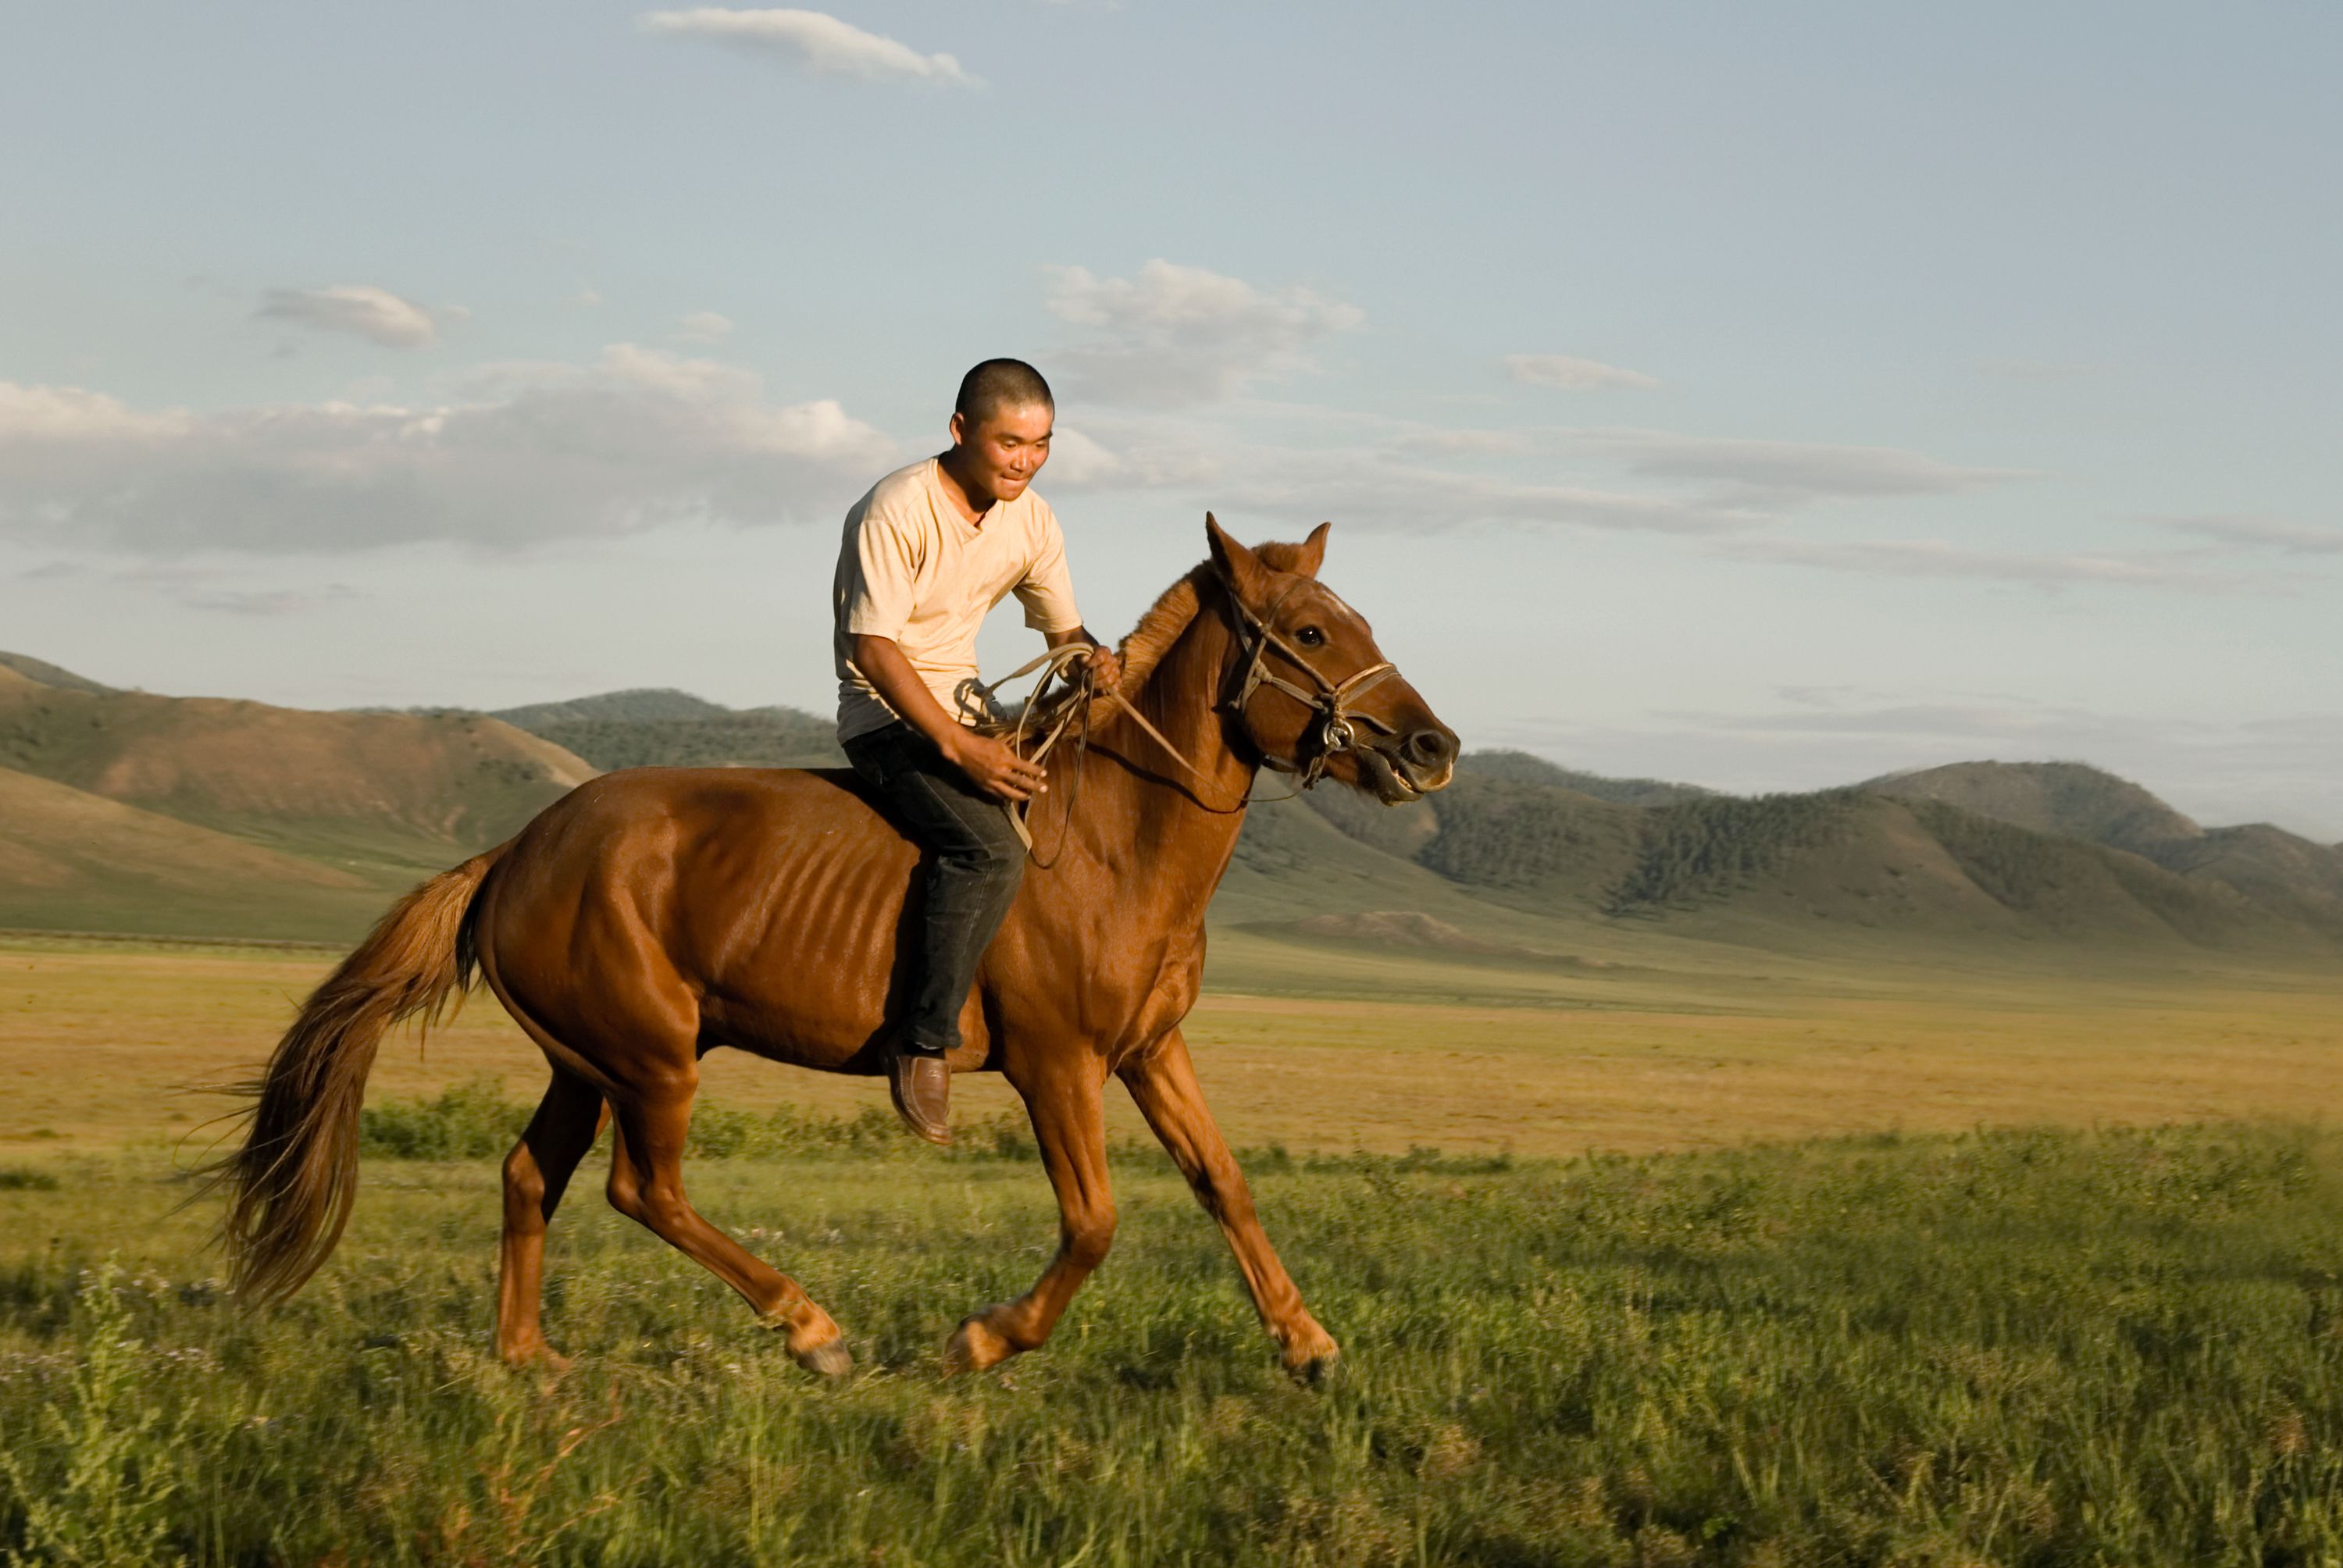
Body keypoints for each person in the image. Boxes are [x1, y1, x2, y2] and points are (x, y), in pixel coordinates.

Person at [831, 358, 1122, 1143]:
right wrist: (962, 748)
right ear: (961, 431)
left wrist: (1094, 657)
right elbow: (875, 647)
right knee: (989, 851)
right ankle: (923, 1041)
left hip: (971, 707)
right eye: (1009, 442)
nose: (1025, 459)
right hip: (885, 716)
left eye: (1041, 442)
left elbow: (1064, 632)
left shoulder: (1033, 520)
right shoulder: (897, 508)